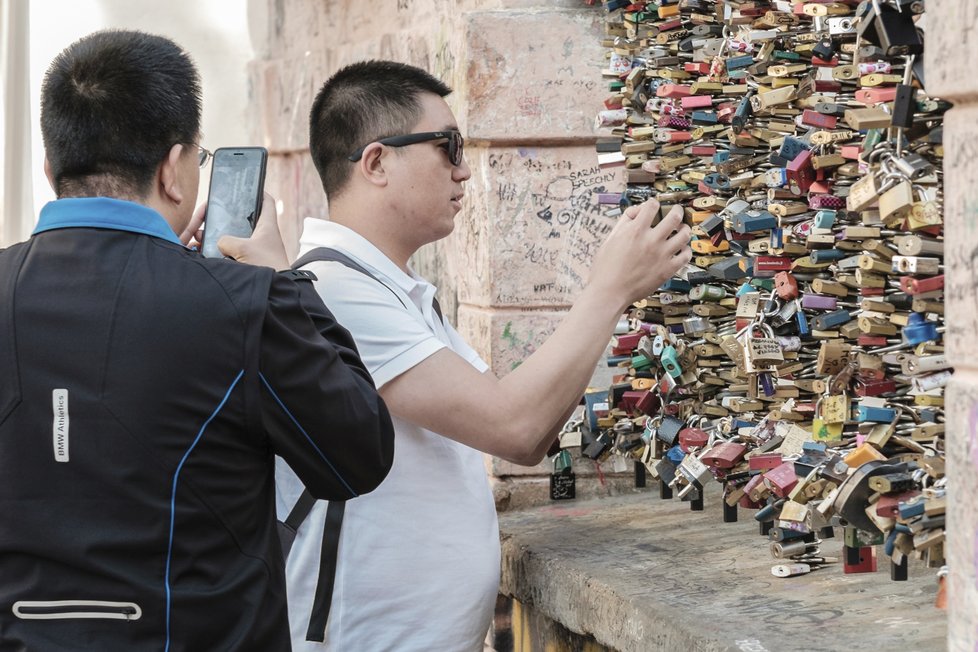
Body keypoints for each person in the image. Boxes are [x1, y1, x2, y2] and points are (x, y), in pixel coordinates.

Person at [272, 60, 691, 651]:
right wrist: (609, 289)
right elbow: (515, 427)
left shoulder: (390, 290)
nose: (464, 170)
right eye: (448, 146)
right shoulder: (333, 294)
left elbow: (526, 416)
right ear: (376, 162)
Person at [0, 30, 395, 652]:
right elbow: (359, 452)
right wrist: (283, 283)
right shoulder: (245, 304)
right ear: (172, 169)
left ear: (51, 170)